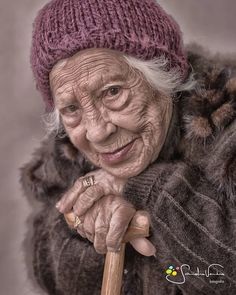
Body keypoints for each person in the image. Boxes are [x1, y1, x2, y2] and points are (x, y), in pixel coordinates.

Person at [20, 0, 236, 294]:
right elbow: (47, 263)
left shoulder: (227, 125)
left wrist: (143, 187)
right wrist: (92, 226)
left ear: (166, 76)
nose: (96, 132)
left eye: (113, 92)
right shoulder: (67, 155)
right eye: (71, 109)